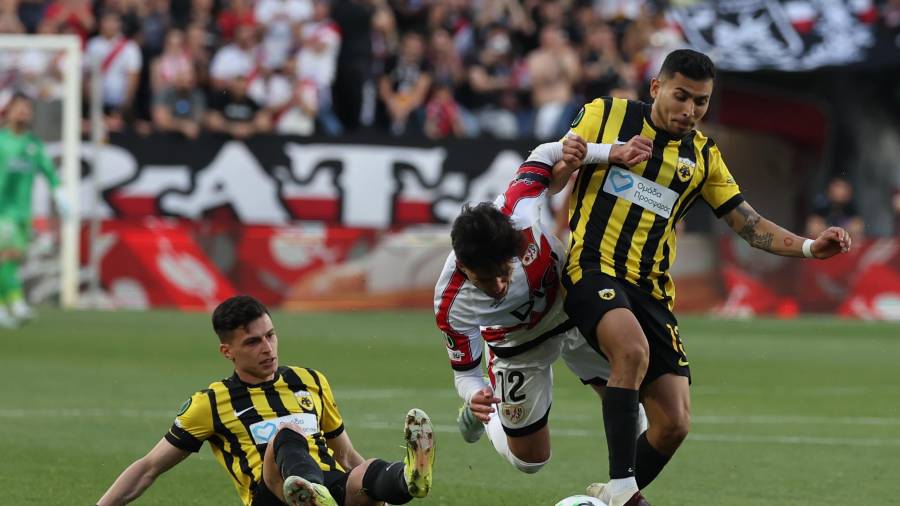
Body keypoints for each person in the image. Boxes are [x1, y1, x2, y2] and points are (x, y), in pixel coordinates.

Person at [559, 49, 852, 506]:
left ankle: (609, 497)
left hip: (652, 290)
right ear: (656, 87)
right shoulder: (606, 114)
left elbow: (748, 224)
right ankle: (622, 490)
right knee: (631, 351)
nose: (690, 110)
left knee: (674, 424)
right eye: (681, 97)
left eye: (701, 102)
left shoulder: (703, 156)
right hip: (591, 268)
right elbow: (556, 170)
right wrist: (595, 156)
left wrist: (812, 247)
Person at [434, 135, 647, 476]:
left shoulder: (518, 210)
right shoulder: (450, 303)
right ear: (464, 265)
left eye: (503, 273)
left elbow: (545, 153)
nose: (499, 286)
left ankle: (624, 491)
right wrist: (475, 394)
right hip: (518, 345)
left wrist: (611, 152)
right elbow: (465, 373)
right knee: (530, 461)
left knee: (633, 408)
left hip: (572, 307)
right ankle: (481, 422)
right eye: (486, 281)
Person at [97, 295, 435, 506]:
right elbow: (148, 468)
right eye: (253, 342)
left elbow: (345, 454)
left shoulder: (310, 381)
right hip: (271, 495)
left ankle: (407, 479)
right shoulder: (212, 402)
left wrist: (378, 489)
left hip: (331, 488)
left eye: (271, 335)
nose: (267, 349)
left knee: (371, 472)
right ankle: (308, 494)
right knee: (287, 435)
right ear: (226, 351)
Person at [0, 93, 69, 329]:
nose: (23, 113)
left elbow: (50, 172)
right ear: (8, 111)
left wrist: (61, 196)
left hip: (22, 212)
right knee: (6, 256)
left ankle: (4, 306)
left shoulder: (33, 144)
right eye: (19, 108)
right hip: (2, 211)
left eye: (27, 109)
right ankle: (16, 302)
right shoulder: (1, 141)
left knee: (13, 259)